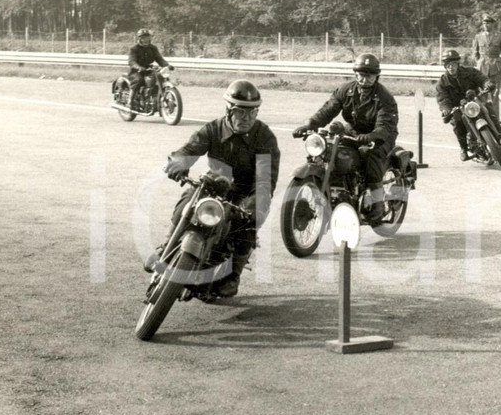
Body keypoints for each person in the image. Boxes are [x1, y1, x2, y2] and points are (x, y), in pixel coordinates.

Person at [151, 80, 281, 298]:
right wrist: (179, 163)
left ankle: (233, 275)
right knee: (188, 198)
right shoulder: (213, 129)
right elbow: (190, 149)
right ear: (229, 110)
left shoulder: (265, 137)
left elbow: (265, 180)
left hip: (247, 192)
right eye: (241, 112)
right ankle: (167, 245)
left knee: (249, 223)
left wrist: (254, 204)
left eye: (252, 112)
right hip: (214, 185)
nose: (247, 118)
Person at [291, 54, 398, 221]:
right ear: (355, 74)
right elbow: (327, 110)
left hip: (381, 136)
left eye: (369, 75)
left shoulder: (385, 98)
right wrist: (309, 125)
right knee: (331, 152)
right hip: (353, 132)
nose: (364, 79)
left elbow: (384, 125)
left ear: (377, 76)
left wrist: (372, 136)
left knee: (371, 157)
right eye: (361, 74)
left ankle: (377, 203)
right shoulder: (346, 91)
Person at [436, 49, 501, 161]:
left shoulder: (470, 72)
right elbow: (443, 98)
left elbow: (481, 78)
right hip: (458, 108)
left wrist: (487, 84)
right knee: (457, 121)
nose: (451, 67)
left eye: (453, 64)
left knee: (488, 109)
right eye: (448, 65)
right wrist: (446, 109)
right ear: (445, 66)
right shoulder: (442, 82)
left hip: (474, 101)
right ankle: (463, 149)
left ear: (458, 64)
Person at [472, 14, 501, 119]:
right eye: (484, 23)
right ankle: (484, 115)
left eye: (488, 23)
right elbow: (475, 52)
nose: (486, 25)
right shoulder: (478, 36)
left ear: (493, 24)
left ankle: (495, 117)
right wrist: (478, 62)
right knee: (482, 92)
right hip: (482, 67)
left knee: (495, 92)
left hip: (495, 67)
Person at [128, 28, 172, 108]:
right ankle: (130, 101)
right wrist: (138, 67)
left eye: (148, 37)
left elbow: (159, 59)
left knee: (159, 77)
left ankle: (155, 98)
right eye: (143, 38)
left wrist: (167, 65)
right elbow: (132, 61)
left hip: (149, 69)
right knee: (138, 80)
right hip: (136, 71)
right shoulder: (134, 49)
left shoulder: (153, 48)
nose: (146, 40)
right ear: (139, 38)